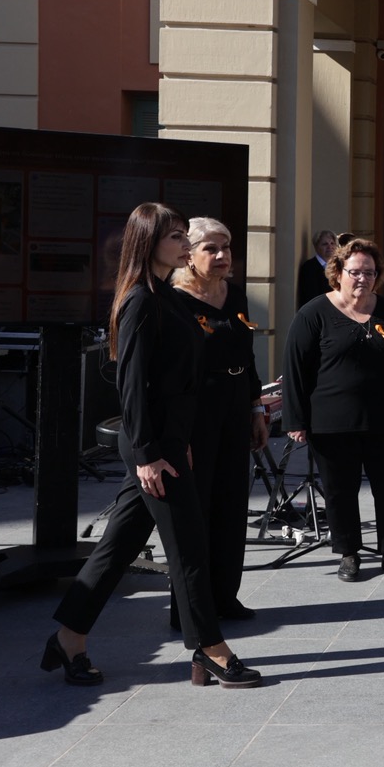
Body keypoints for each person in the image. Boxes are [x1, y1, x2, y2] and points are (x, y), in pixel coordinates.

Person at [46, 203, 262, 688]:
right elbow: (132, 386)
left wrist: (178, 439)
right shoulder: (142, 300)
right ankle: (210, 648)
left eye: (185, 235)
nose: (185, 244)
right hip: (153, 448)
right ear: (149, 243)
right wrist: (149, 454)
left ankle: (69, 637)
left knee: (118, 545)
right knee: (188, 547)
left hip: (168, 442)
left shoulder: (165, 295)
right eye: (176, 237)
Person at [283, 237, 384, 582]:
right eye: (355, 272)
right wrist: (296, 419)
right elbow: (296, 369)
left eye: (370, 272)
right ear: (338, 272)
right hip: (331, 422)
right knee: (340, 491)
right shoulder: (313, 313)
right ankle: (349, 553)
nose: (363, 278)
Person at [172, 217, 269, 620]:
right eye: (210, 248)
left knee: (231, 503)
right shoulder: (174, 300)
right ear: (188, 255)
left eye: (225, 247)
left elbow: (247, 355)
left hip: (235, 402)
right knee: (197, 507)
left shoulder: (237, 294)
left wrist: (256, 407)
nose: (221, 255)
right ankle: (191, 607)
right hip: (196, 409)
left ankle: (225, 596)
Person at [296, 228, 338, 310]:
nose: (330, 247)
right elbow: (311, 297)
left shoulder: (338, 266)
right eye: (325, 244)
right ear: (316, 247)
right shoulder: (309, 268)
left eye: (332, 243)